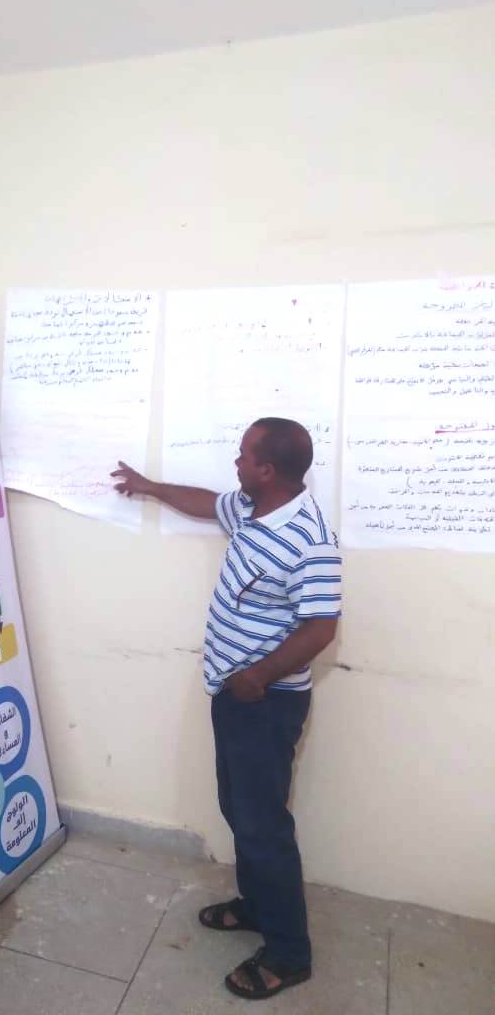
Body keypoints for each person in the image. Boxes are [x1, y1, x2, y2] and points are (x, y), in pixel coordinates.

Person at [111, 418, 341, 1001]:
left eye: (243, 456)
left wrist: (257, 677)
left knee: (264, 827)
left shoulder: (309, 539)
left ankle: (289, 955)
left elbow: (321, 627)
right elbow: (206, 503)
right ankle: (258, 906)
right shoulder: (251, 506)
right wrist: (150, 486)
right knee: (238, 808)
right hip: (235, 696)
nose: (235, 463)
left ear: (268, 469)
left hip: (265, 703)